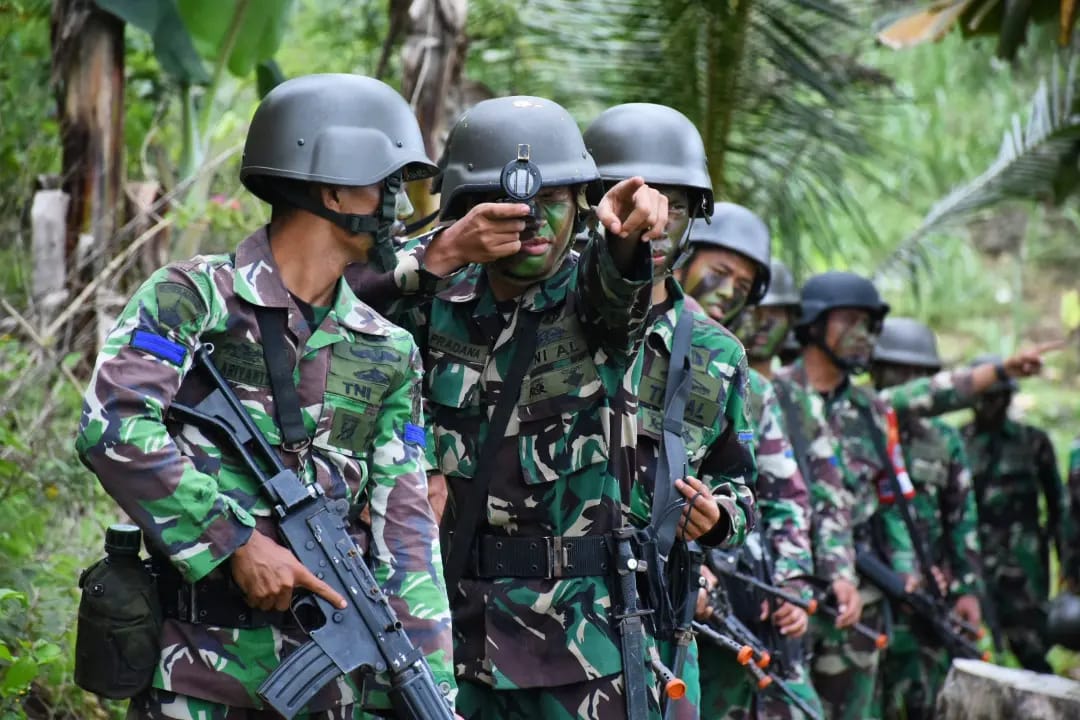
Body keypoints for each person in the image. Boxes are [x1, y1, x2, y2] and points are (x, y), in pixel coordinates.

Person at [75, 74, 455, 718]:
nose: (398, 201)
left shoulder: (387, 348)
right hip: (198, 677)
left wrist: (434, 687)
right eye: (386, 182)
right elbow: (112, 426)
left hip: (334, 694)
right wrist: (235, 541)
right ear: (333, 188)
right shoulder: (191, 298)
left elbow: (407, 530)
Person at [387, 95, 717, 720]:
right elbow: (330, 310)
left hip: (580, 649)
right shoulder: (432, 298)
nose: (533, 220)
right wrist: (440, 256)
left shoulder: (595, 301)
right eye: (509, 203)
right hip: (447, 633)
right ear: (463, 209)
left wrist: (622, 240)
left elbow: (616, 293)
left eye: (556, 201)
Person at [583, 104, 758, 720]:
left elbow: (741, 486)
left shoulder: (717, 352)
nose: (653, 222)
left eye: (674, 208)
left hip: (659, 623)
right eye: (634, 201)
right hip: (545, 622)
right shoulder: (548, 316)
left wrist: (717, 518)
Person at [673, 214, 824, 720]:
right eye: (718, 272)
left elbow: (787, 495)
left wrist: (795, 584)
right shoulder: (614, 350)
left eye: (742, 286)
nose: (727, 292)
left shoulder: (745, 382)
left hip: (736, 609)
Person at [772, 271, 918, 720]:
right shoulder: (773, 394)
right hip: (784, 589)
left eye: (870, 325)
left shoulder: (873, 411)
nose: (864, 336)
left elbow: (891, 496)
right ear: (814, 325)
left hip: (856, 596)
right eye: (851, 320)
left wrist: (907, 566)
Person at [870, 317, 984, 720]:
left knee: (927, 698)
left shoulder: (944, 440)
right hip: (868, 587)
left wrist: (966, 588)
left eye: (917, 373)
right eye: (897, 371)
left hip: (929, 593)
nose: (907, 382)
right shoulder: (857, 425)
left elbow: (962, 519)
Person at [960, 354, 1063, 673]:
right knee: (969, 646)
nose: (991, 406)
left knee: (1031, 645)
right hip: (974, 557)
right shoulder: (959, 442)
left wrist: (1068, 566)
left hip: (1023, 561)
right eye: (985, 398)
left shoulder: (1033, 442)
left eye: (999, 397)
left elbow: (1058, 506)